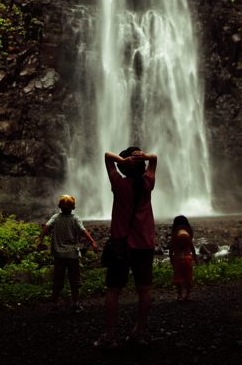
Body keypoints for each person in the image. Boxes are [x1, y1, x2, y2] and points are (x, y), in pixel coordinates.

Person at [94, 146, 157, 350]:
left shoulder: (119, 185)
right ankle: (137, 333)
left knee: (113, 291)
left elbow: (106, 157)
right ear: (143, 167)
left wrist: (122, 162)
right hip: (145, 245)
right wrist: (144, 157)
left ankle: (110, 336)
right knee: (144, 290)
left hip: (122, 245)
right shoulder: (148, 183)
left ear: (124, 167)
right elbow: (154, 159)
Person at [36, 194, 99, 312]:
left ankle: (55, 305)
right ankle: (75, 304)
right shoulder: (75, 219)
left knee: (57, 280)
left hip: (59, 254)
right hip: (72, 254)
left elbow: (46, 226)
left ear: (59, 206)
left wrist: (40, 240)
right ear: (73, 207)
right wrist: (92, 242)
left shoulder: (55, 218)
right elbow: (83, 231)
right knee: (74, 280)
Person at [169, 214, 197, 300]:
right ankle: (188, 294)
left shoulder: (174, 239)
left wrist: (171, 259)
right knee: (188, 278)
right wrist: (195, 258)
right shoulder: (188, 238)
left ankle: (180, 295)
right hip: (188, 259)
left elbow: (171, 251)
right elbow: (193, 250)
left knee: (179, 278)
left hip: (178, 259)